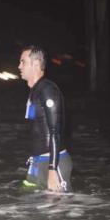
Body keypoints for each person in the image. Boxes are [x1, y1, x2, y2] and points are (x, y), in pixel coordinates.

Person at [18, 45, 73, 193]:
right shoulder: (35, 91)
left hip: (52, 163)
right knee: (27, 208)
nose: (19, 66)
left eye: (23, 62)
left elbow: (55, 130)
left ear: (36, 64)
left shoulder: (48, 90)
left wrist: (52, 169)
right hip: (36, 162)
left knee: (55, 213)